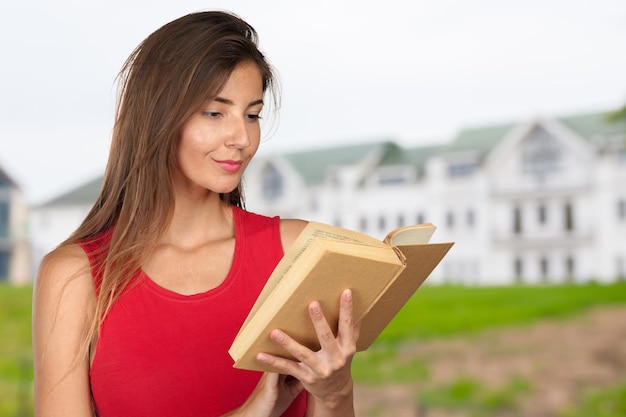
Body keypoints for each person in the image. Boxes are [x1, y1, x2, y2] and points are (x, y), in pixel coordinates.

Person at [32, 10, 358, 417]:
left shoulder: (300, 250)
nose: (242, 138)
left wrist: (335, 395)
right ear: (158, 117)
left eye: (252, 115)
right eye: (214, 112)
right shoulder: (74, 277)